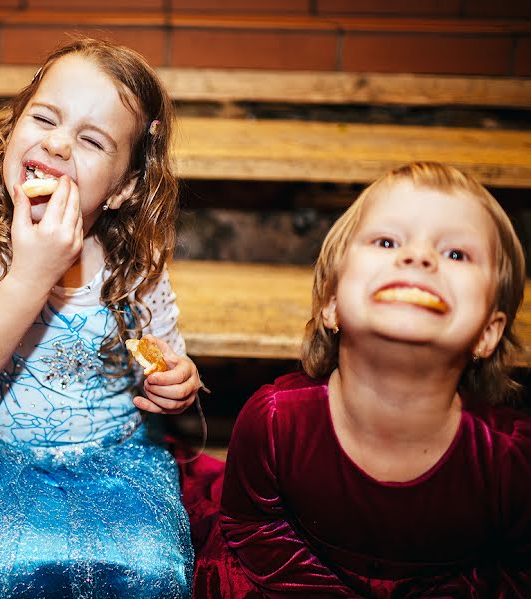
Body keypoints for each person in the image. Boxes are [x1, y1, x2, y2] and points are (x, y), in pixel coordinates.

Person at [0, 37, 201, 598]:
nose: (57, 143)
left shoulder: (136, 256)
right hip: (2, 466)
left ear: (123, 187)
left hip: (120, 464)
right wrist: (29, 276)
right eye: (44, 117)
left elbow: (166, 352)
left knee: (154, 567)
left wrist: (180, 381)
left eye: (91, 140)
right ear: (11, 127)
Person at [215, 162, 530, 597]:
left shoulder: (509, 461)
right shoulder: (275, 423)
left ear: (487, 333)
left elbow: (518, 572)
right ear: (332, 304)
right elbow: (250, 527)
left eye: (456, 254)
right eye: (386, 241)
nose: (418, 257)